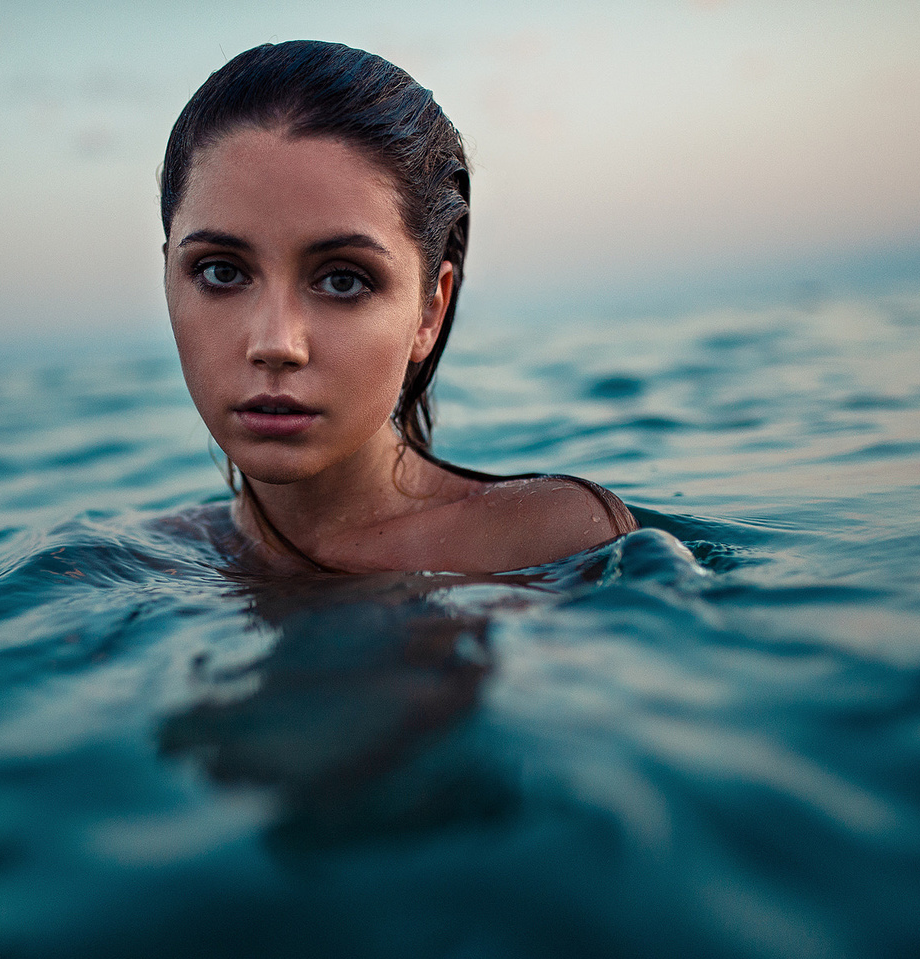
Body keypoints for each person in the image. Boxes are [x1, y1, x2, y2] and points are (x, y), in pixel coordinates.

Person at [160, 40, 636, 574]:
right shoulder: (133, 565)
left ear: (428, 313)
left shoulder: (548, 540)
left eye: (343, 281)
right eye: (220, 272)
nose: (276, 344)